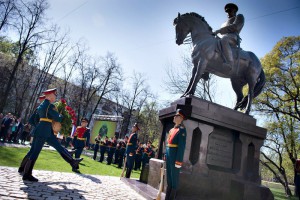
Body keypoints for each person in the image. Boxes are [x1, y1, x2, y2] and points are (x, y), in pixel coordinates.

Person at [21, 89, 83, 182]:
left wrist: (38, 125)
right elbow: (57, 117)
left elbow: (33, 120)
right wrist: (62, 116)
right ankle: (27, 174)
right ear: (49, 95)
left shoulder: (41, 105)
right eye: (54, 95)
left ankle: (72, 161)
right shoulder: (49, 106)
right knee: (35, 152)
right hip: (44, 131)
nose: (55, 97)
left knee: (57, 146)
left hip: (45, 130)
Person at [213, 3, 244, 70]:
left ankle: (230, 63)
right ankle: (207, 70)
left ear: (235, 11)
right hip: (222, 38)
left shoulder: (239, 16)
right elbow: (221, 33)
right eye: (227, 12)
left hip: (233, 37)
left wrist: (218, 31)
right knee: (212, 43)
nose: (228, 13)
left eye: (230, 11)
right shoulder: (223, 23)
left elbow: (235, 27)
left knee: (224, 39)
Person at [165, 109, 187, 200]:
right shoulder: (171, 130)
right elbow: (168, 144)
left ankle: (171, 198)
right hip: (169, 156)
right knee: (169, 177)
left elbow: (181, 147)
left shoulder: (182, 130)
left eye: (177, 116)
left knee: (174, 178)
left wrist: (178, 161)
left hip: (175, 158)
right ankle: (167, 197)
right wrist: (166, 154)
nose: (174, 117)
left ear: (181, 118)